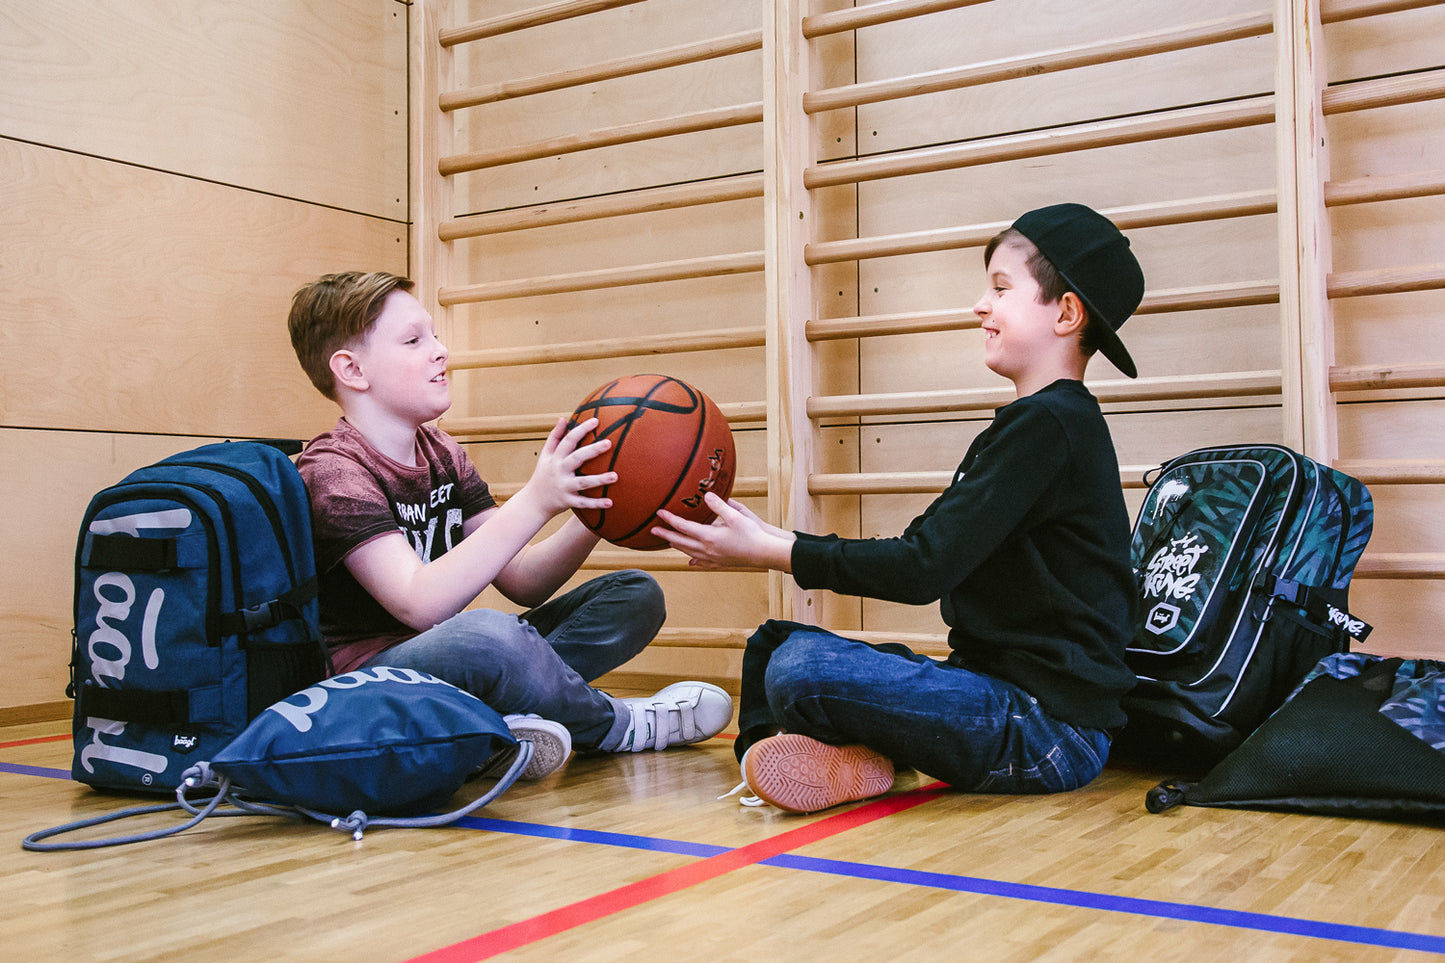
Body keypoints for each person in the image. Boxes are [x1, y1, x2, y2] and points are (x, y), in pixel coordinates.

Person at [655, 203, 1144, 813]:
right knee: (776, 643)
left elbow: (922, 569)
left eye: (1000, 289)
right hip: (994, 696)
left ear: (1066, 313)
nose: (981, 306)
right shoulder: (1034, 425)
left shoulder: (1050, 427)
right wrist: (774, 541)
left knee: (800, 668)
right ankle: (791, 756)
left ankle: (823, 749)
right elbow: (925, 547)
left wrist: (775, 551)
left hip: (1048, 730)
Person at [286, 271, 733, 780]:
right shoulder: (334, 470)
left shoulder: (442, 452)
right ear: (352, 369)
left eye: (434, 335)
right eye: (413, 340)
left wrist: (600, 505)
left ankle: (496, 727)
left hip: (454, 664)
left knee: (634, 595)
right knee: (489, 635)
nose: (440, 351)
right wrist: (537, 500)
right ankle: (621, 726)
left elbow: (523, 581)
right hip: (369, 686)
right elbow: (419, 603)